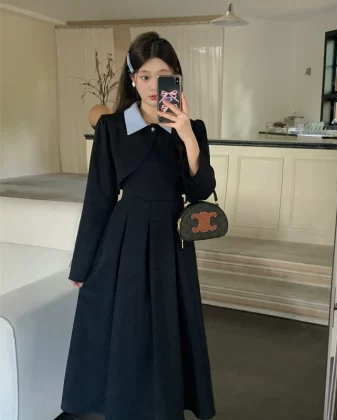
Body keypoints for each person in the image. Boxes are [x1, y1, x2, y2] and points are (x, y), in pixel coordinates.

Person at [61, 31, 216, 420]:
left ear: (175, 79)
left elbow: (201, 190)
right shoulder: (112, 128)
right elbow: (98, 199)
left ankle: (165, 406)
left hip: (172, 242)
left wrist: (187, 137)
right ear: (132, 79)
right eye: (144, 76)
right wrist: (82, 265)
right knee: (126, 329)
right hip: (124, 240)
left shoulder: (192, 128)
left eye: (162, 76)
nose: (151, 85)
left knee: (168, 327)